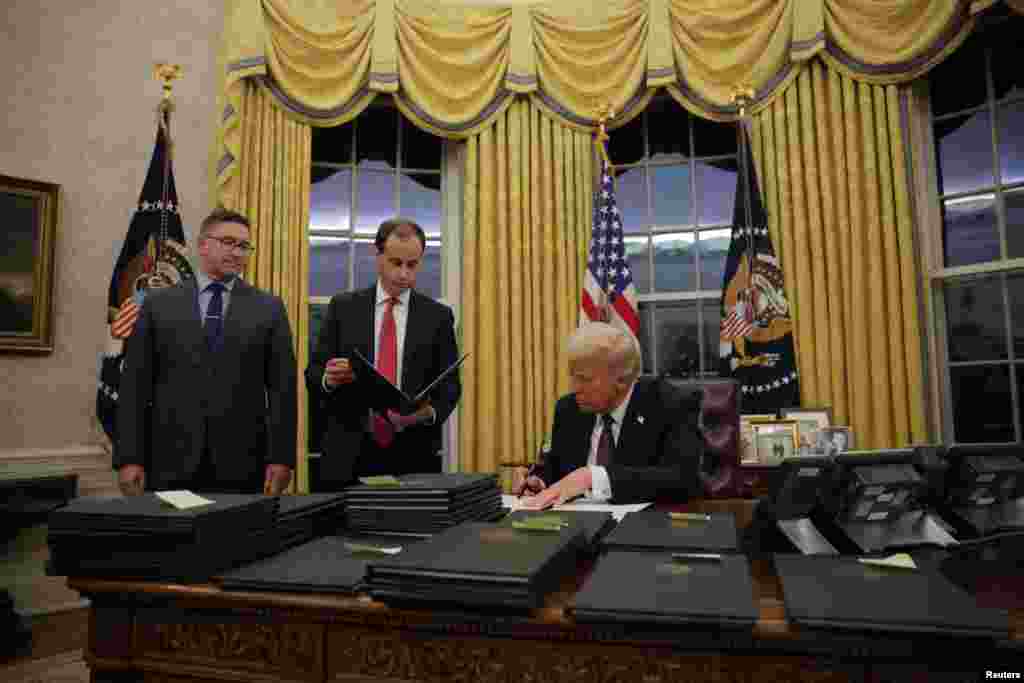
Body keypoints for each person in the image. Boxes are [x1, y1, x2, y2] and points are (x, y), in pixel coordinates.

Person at [115, 208, 297, 496]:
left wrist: (282, 458)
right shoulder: (158, 304)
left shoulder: (269, 308)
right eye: (227, 242)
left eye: (243, 246)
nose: (236, 252)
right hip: (169, 460)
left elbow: (282, 392)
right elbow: (135, 387)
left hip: (242, 464)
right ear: (202, 245)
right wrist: (129, 458)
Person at [306, 218, 461, 489]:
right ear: (376, 256)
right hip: (346, 456)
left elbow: (450, 389)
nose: (403, 274)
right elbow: (313, 374)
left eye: (412, 265)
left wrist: (420, 415)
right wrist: (329, 378)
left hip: (413, 457)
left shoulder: (438, 317)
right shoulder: (343, 308)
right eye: (395, 263)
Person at [516, 322, 703, 508]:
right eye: (573, 377)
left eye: (584, 379)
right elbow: (555, 468)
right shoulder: (569, 409)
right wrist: (541, 482)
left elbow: (682, 480)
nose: (574, 388)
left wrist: (594, 478)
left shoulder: (670, 404)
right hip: (575, 526)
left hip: (640, 529)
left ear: (621, 380)